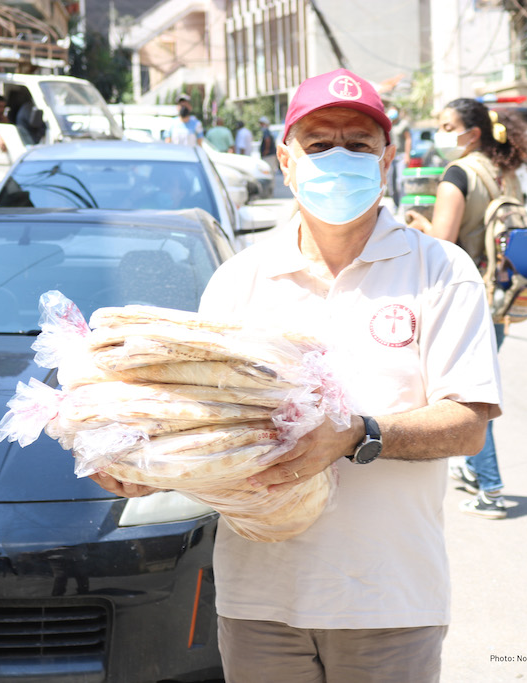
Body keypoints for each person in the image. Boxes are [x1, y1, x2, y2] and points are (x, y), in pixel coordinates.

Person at [91, 68, 502, 682]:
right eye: (319, 143)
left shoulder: (440, 270)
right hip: (260, 601)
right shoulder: (242, 279)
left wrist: (358, 434)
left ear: (386, 159)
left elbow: (467, 425)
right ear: (286, 160)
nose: (339, 157)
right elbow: (203, 422)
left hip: (389, 600)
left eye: (358, 144)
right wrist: (144, 468)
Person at [404, 98, 527, 520]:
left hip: (469, 297)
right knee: (480, 383)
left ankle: (491, 490)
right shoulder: (504, 172)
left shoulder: (458, 175)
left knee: (471, 400)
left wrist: (417, 226)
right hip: (503, 294)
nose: (441, 135)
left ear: (471, 133)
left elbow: (443, 246)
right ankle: (475, 470)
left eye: (446, 127)